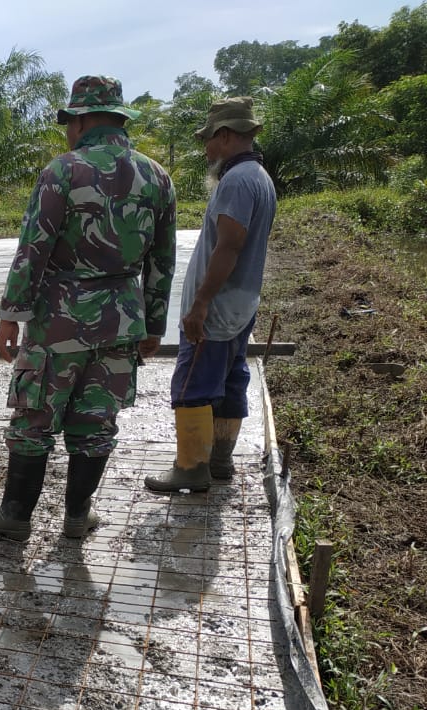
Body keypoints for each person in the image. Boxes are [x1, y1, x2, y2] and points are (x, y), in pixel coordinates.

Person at [0, 76, 177, 541]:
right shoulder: (157, 176)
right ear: (120, 120)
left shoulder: (63, 171)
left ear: (80, 121)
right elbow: (163, 260)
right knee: (97, 420)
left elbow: (33, 249)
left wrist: (11, 315)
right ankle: (78, 518)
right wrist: (154, 325)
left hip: (59, 319)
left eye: (68, 123)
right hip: (123, 317)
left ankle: (16, 517)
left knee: (35, 417)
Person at [145, 96, 277, 493]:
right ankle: (220, 461)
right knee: (232, 378)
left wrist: (201, 302)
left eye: (208, 139)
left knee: (193, 383)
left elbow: (230, 246)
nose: (206, 148)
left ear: (224, 135)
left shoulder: (237, 182)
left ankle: (190, 468)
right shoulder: (259, 177)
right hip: (241, 303)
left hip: (218, 306)